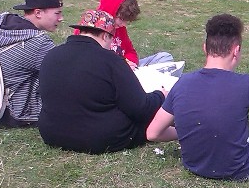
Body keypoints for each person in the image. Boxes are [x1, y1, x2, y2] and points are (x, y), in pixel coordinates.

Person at [146, 14, 249, 181]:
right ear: (236, 50)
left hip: (193, 165)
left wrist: (190, 132)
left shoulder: (182, 83)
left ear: (205, 48)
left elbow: (152, 133)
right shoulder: (246, 84)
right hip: (238, 170)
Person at [38, 9, 177, 154]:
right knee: (153, 122)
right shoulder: (110, 60)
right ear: (105, 36)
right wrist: (161, 95)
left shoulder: (52, 55)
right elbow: (140, 108)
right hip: (99, 137)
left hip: (51, 133)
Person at [96, 0, 174, 69]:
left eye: (127, 21)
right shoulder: (92, 31)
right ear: (109, 11)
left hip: (128, 69)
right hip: (111, 72)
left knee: (165, 57)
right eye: (122, 19)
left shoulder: (120, 28)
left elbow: (130, 52)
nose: (124, 24)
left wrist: (130, 63)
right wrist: (121, 66)